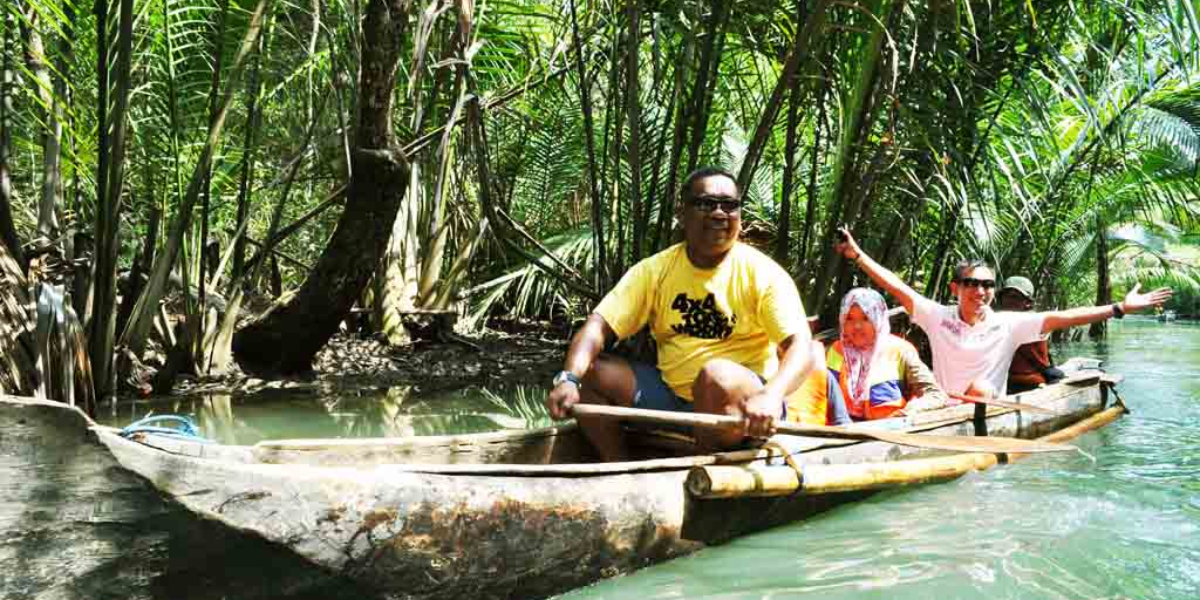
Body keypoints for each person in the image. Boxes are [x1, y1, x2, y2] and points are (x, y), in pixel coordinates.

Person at [545, 167, 815, 460]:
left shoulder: (761, 273)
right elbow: (598, 327)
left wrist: (771, 395)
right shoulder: (656, 270)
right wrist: (568, 379)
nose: (719, 214)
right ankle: (619, 467)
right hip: (671, 397)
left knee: (716, 375)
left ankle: (702, 462)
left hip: (744, 407)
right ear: (682, 213)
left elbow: (801, 347)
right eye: (706, 204)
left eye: (730, 205)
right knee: (590, 372)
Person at [834, 228, 1172, 397]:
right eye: (970, 284)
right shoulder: (938, 317)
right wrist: (856, 254)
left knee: (980, 388)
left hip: (985, 409)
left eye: (986, 285)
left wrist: (1119, 308)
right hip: (939, 409)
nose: (979, 291)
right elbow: (897, 287)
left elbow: (1067, 316)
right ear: (956, 289)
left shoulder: (1008, 324)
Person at [824, 288, 948, 420]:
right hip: (837, 432)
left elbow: (935, 394)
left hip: (885, 433)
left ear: (878, 319)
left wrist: (913, 409)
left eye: (865, 318)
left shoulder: (901, 351)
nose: (857, 326)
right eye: (849, 318)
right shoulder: (834, 349)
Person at [997, 276, 1065, 393]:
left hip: (1028, 382)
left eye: (1015, 297)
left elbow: (1041, 362)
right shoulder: (995, 320)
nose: (1009, 300)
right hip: (1012, 382)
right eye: (1006, 296)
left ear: (1028, 303)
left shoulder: (1033, 323)